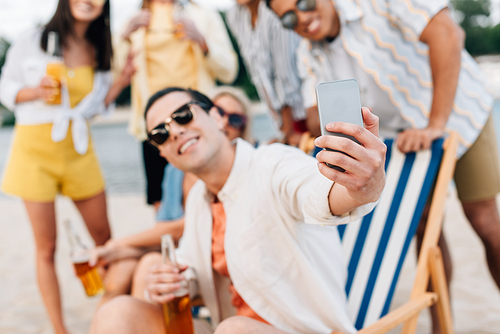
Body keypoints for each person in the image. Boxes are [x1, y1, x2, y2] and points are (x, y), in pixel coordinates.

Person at [266, 0, 500, 332]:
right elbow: (317, 114)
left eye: (305, 3)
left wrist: (435, 124)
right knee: (423, 228)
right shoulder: (309, 54)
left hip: (459, 115)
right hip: (402, 138)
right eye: (289, 17)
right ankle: (441, 327)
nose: (302, 17)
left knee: (484, 220)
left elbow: (448, 34)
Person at [90, 87, 386, 334]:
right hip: (225, 327)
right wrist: (170, 282)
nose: (176, 131)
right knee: (118, 313)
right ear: (163, 154)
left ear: (218, 118)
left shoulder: (272, 164)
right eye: (159, 134)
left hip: (299, 329)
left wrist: (360, 187)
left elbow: (319, 192)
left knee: (234, 330)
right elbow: (191, 271)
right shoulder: (199, 200)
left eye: (182, 115)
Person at [0, 0, 134, 333]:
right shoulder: (32, 39)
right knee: (47, 248)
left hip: (78, 151)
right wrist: (33, 92)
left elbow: (96, 106)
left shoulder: (99, 46)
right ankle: (61, 329)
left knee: (105, 239)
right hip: (33, 154)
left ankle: (115, 310)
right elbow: (5, 86)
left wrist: (123, 80)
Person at [89, 86, 254, 306]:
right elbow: (167, 230)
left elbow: (179, 228)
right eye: (161, 133)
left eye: (235, 119)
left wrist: (117, 245)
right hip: (185, 258)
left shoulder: (258, 167)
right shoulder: (178, 173)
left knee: (148, 264)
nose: (176, 131)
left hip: (203, 265)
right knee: (122, 269)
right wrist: (116, 250)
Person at [116, 0, 238, 210]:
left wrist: (203, 42)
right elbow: (117, 74)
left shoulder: (204, 16)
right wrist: (125, 36)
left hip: (196, 122)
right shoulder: (133, 22)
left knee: (215, 200)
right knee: (162, 205)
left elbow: (229, 72)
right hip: (157, 131)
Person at [225, 0, 307, 146]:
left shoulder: (277, 7)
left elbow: (285, 74)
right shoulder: (234, 15)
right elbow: (257, 74)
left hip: (303, 113)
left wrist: (288, 132)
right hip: (279, 121)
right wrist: (280, 129)